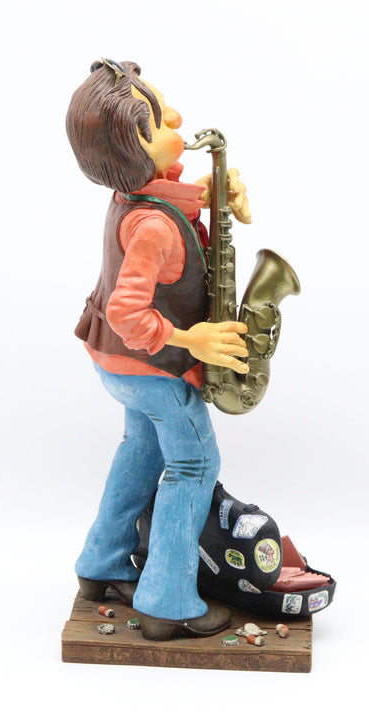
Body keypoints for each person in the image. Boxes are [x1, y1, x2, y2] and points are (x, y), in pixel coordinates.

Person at [66, 59, 251, 641]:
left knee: (142, 449)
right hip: (153, 369)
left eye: (160, 102)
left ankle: (102, 563)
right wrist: (192, 339)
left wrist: (216, 199)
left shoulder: (133, 193)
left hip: (116, 366)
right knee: (194, 465)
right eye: (155, 122)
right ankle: (167, 600)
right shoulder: (153, 228)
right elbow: (128, 313)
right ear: (130, 152)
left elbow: (170, 204)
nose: (175, 117)